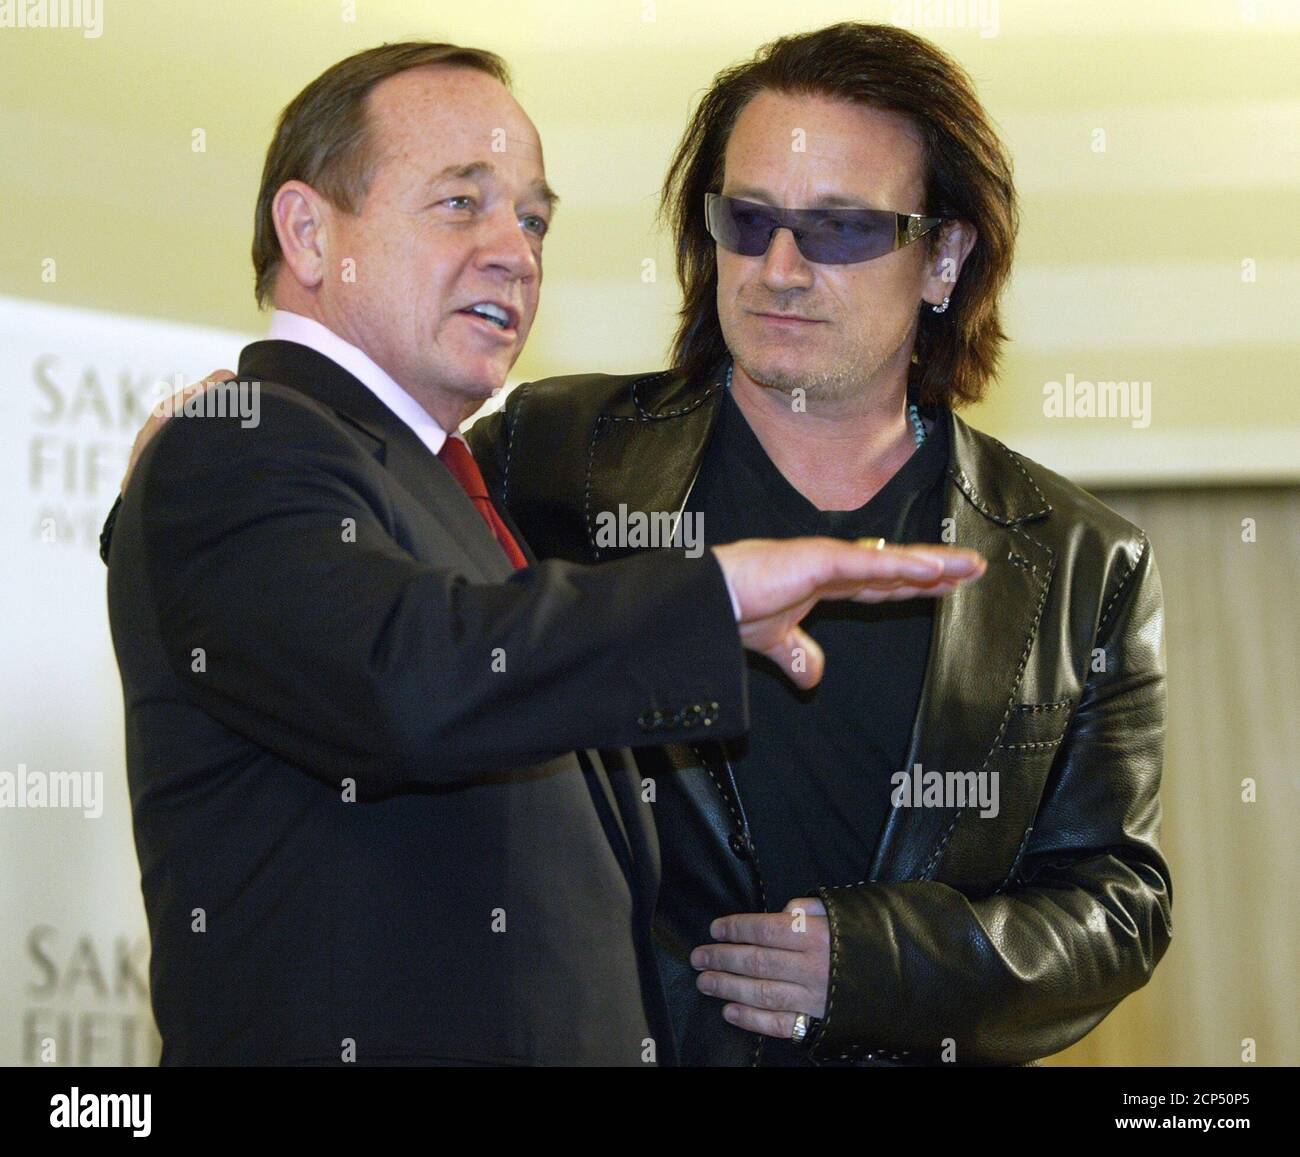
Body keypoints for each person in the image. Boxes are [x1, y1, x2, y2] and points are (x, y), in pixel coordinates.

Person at [102, 41, 984, 1066]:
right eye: (459, 204)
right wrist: (704, 603)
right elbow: (404, 676)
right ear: (308, 232)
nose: (514, 252)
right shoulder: (239, 441)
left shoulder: (450, 490)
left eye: (532, 219)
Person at [465, 23, 1173, 1066]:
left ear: (944, 254)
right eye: (745, 221)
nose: (777, 269)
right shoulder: (558, 457)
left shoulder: (1080, 561)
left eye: (838, 230)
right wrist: (264, 429)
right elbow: (364, 607)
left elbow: (1118, 905)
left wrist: (876, 964)